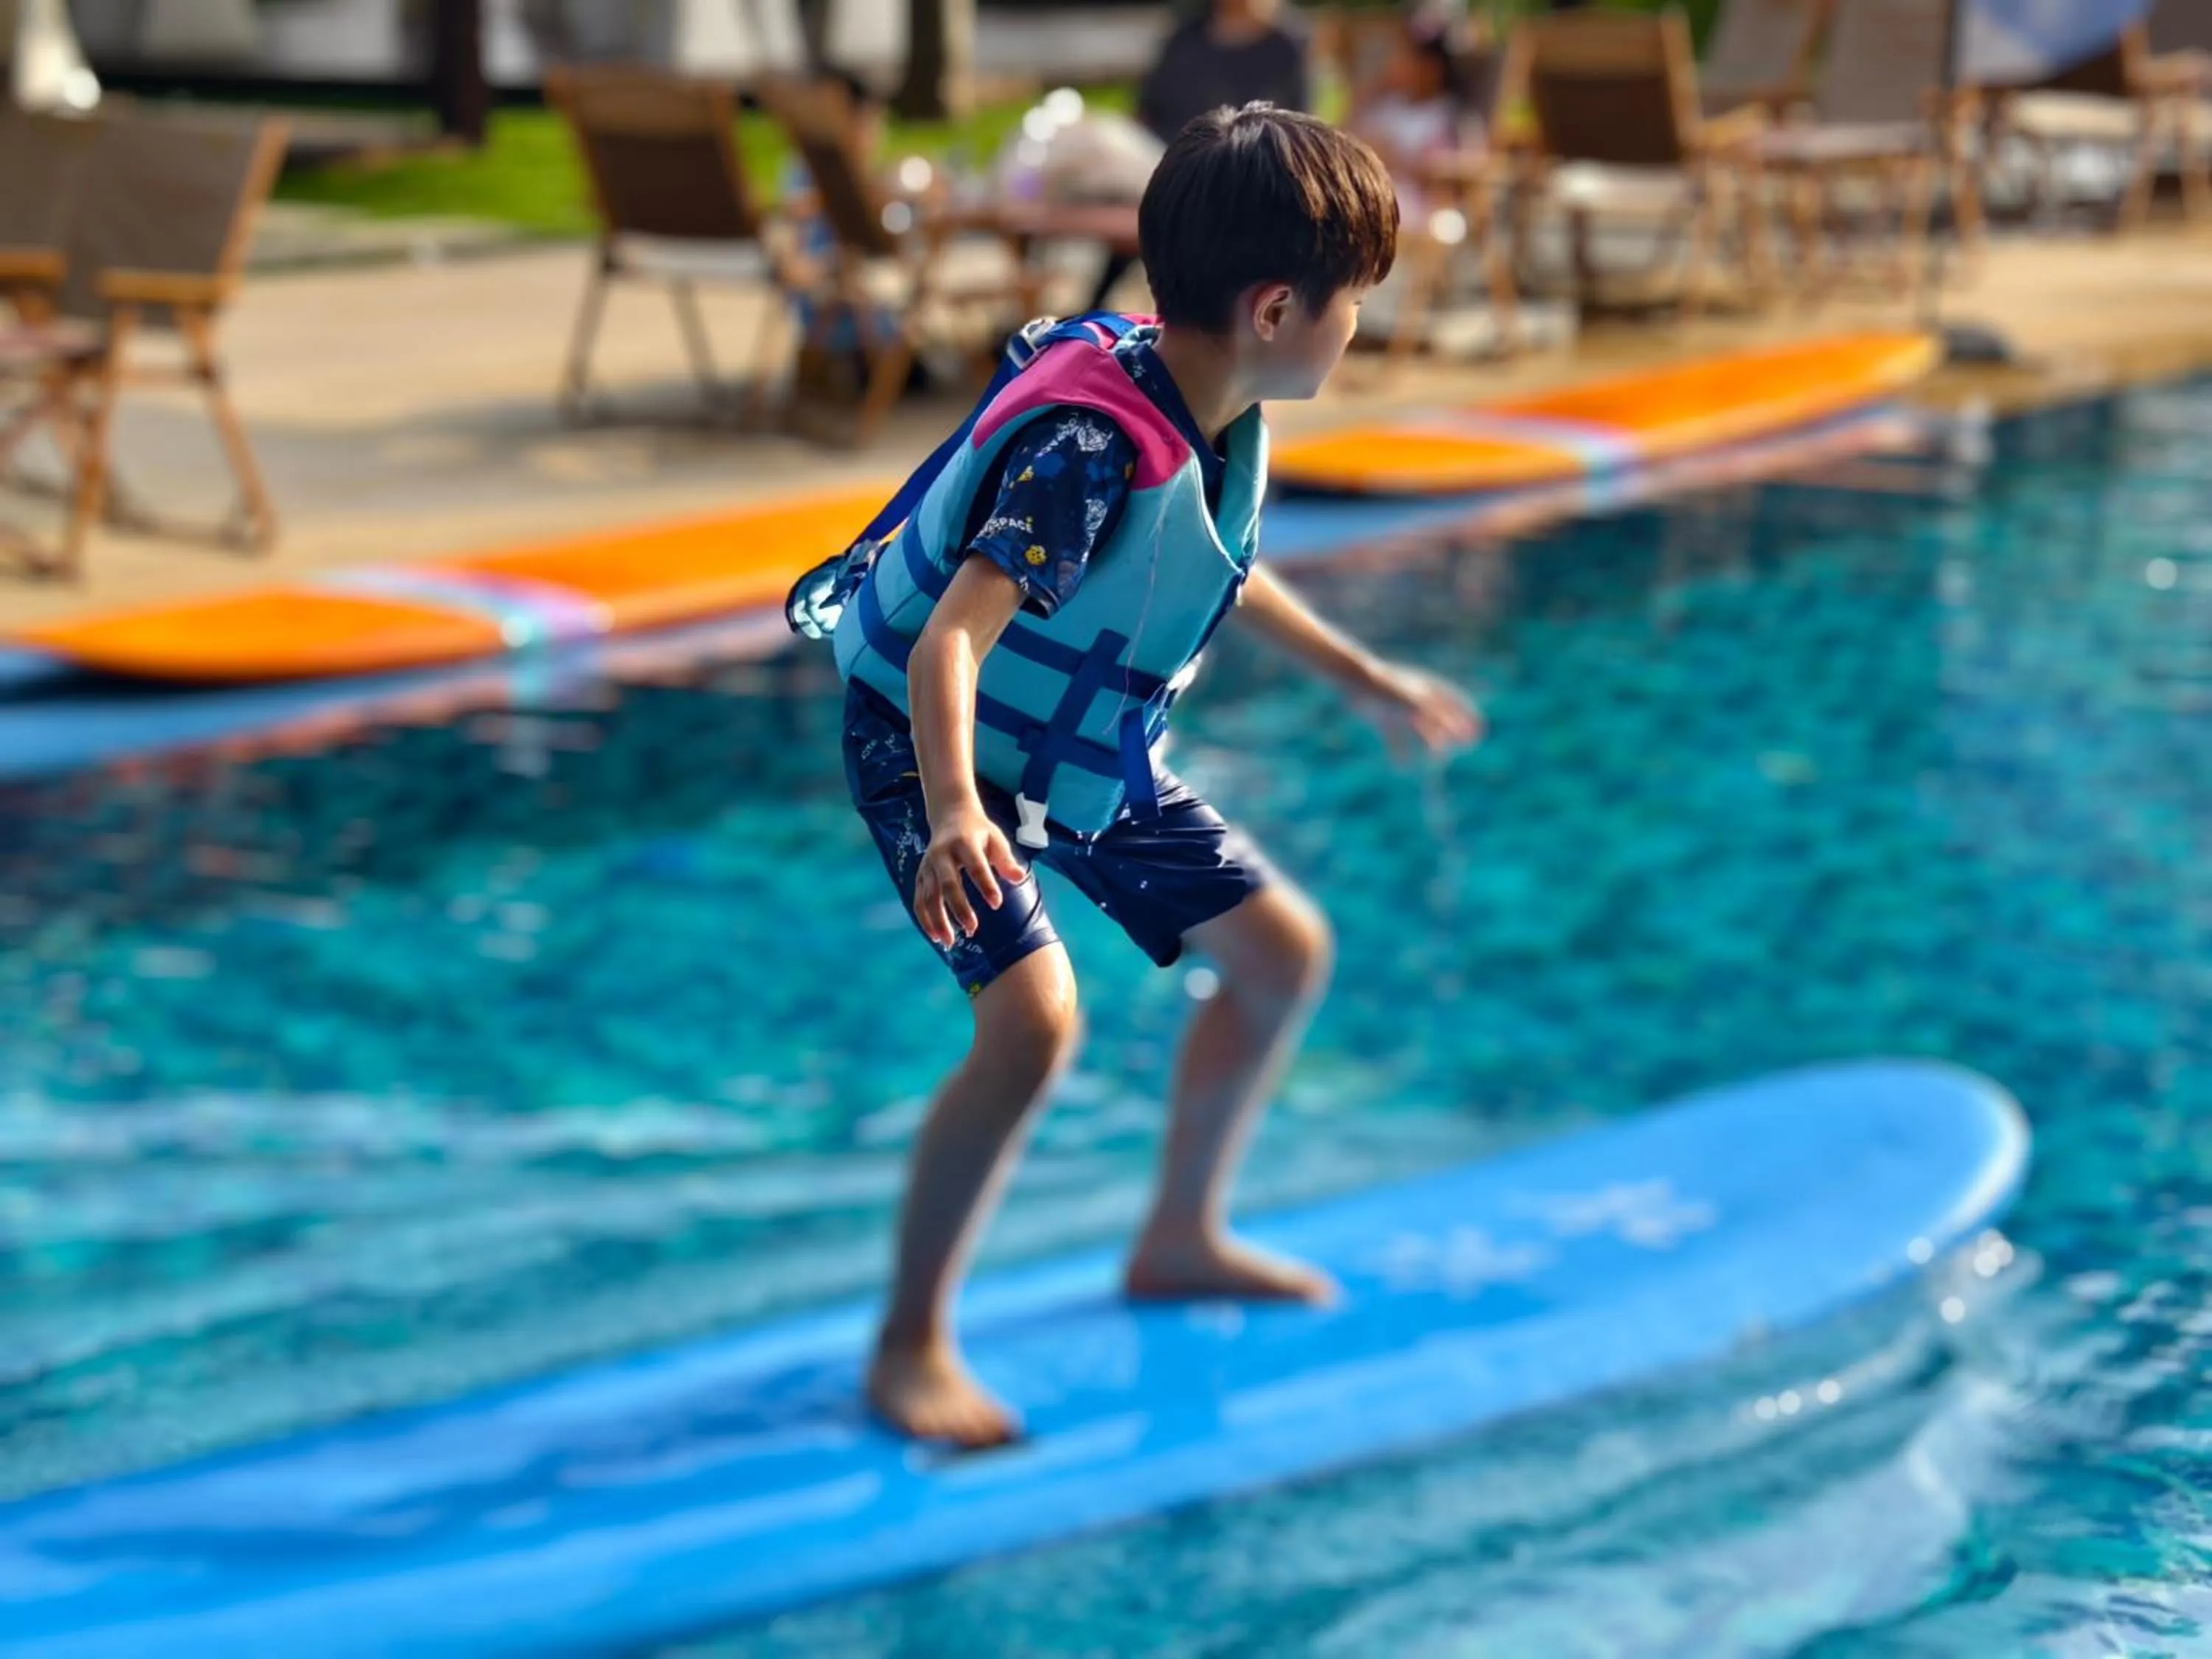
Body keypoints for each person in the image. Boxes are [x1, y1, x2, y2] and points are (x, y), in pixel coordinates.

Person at [785, 105, 1484, 1448]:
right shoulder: (1091, 449)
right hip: (941, 749)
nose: (1360, 329)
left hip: (1071, 750)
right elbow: (949, 646)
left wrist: (1362, 676)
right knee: (1033, 1026)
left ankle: (1178, 1235)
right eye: (1356, 305)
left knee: (1281, 955)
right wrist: (947, 822)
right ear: (1279, 308)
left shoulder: (1194, 404)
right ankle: (908, 1346)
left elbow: (1203, 561)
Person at [1085, 0, 1315, 310]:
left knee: (1168, 209)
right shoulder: (1186, 35)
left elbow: (1295, 123)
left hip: (1235, 167)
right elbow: (1146, 108)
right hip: (1157, 161)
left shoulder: (1286, 43)